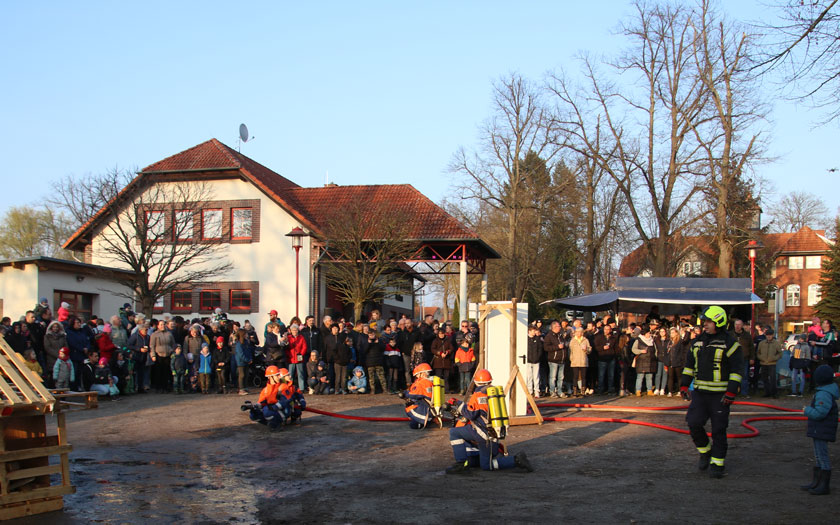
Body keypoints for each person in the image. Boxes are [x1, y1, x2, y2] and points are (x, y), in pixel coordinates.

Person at [680, 305, 743, 479]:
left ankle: (717, 463)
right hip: (700, 393)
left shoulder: (730, 344)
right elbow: (689, 367)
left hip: (720, 396)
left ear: (719, 322)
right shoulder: (697, 342)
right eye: (705, 321)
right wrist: (684, 385)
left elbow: (737, 370)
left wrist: (731, 392)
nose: (705, 324)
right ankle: (705, 451)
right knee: (693, 423)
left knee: (719, 430)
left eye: (708, 321)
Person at [445, 369, 533, 474]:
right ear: (490, 381)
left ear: (476, 382)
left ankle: (461, 464)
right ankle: (516, 460)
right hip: (494, 434)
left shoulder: (477, 395)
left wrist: (458, 405)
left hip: (482, 434)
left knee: (454, 433)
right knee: (487, 465)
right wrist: (459, 402)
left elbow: (470, 414)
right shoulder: (494, 394)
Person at [800, 364, 838, 495]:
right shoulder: (825, 392)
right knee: (818, 455)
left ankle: (823, 485)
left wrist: (807, 410)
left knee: (822, 455)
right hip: (819, 429)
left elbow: (820, 413)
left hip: (821, 429)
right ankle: (817, 482)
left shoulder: (823, 394)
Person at [247, 366, 286, 431]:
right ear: (270, 377)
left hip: (282, 411)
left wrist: (274, 407)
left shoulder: (283, 387)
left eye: (279, 375)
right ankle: (270, 422)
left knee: (267, 410)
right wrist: (253, 407)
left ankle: (276, 424)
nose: (279, 377)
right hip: (270, 411)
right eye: (277, 375)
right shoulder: (265, 390)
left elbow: (285, 402)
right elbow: (261, 402)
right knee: (253, 415)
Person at [400, 363, 434, 429]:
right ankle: (427, 420)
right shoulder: (428, 382)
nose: (417, 376)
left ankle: (419, 423)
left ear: (422, 373)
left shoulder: (422, 383)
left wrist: (405, 393)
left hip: (424, 411)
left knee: (412, 424)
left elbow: (414, 394)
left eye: (417, 374)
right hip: (429, 409)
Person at [544, 321, 569, 398]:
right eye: (558, 326)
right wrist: (557, 347)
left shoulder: (560, 336)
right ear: (554, 327)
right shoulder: (549, 336)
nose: (560, 327)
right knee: (553, 377)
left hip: (562, 359)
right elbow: (546, 348)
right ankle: (552, 391)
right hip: (553, 360)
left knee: (561, 377)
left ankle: (560, 391)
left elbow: (563, 344)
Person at [756, 329, 782, 398]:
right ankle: (767, 392)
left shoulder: (776, 343)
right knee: (764, 378)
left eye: (770, 335)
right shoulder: (761, 343)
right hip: (763, 363)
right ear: (766, 336)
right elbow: (758, 352)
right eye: (767, 335)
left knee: (773, 379)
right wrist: (761, 358)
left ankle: (774, 393)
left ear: (772, 335)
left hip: (772, 363)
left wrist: (774, 358)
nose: (769, 336)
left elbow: (780, 353)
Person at [633, 324, 657, 396]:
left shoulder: (652, 341)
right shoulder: (639, 340)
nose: (649, 334)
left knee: (649, 377)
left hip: (651, 361)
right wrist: (640, 351)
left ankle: (649, 390)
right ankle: (638, 390)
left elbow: (655, 350)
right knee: (640, 377)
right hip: (641, 361)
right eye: (648, 333)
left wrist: (655, 357)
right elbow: (633, 349)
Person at [594, 324, 618, 395]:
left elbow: (616, 348)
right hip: (602, 358)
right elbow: (595, 347)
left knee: (611, 375)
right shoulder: (599, 337)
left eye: (608, 329)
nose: (607, 331)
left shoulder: (613, 338)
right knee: (601, 375)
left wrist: (614, 354)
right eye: (605, 329)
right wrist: (602, 348)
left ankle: (610, 389)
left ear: (610, 330)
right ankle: (600, 389)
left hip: (611, 359)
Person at [569, 327, 592, 396]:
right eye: (577, 332)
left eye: (580, 332)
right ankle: (575, 391)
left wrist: (586, 349)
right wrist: (571, 359)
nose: (578, 333)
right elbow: (570, 351)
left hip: (583, 360)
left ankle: (583, 391)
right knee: (575, 376)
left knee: (583, 376)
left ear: (582, 333)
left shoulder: (585, 340)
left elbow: (589, 350)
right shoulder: (572, 340)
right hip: (575, 361)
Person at [286, 323, 308, 391]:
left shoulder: (301, 337)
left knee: (300, 374)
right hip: (291, 358)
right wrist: (289, 355)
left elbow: (304, 347)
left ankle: (301, 388)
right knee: (290, 374)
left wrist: (301, 354)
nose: (295, 331)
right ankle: (290, 388)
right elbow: (286, 348)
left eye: (296, 330)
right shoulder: (288, 338)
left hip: (299, 358)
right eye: (293, 330)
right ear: (291, 331)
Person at [525, 324, 543, 398]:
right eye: (533, 331)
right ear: (529, 331)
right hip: (528, 361)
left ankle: (536, 391)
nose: (534, 332)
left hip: (536, 361)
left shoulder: (537, 339)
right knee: (529, 376)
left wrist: (538, 357)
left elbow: (540, 349)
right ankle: (530, 390)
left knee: (536, 376)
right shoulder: (526, 339)